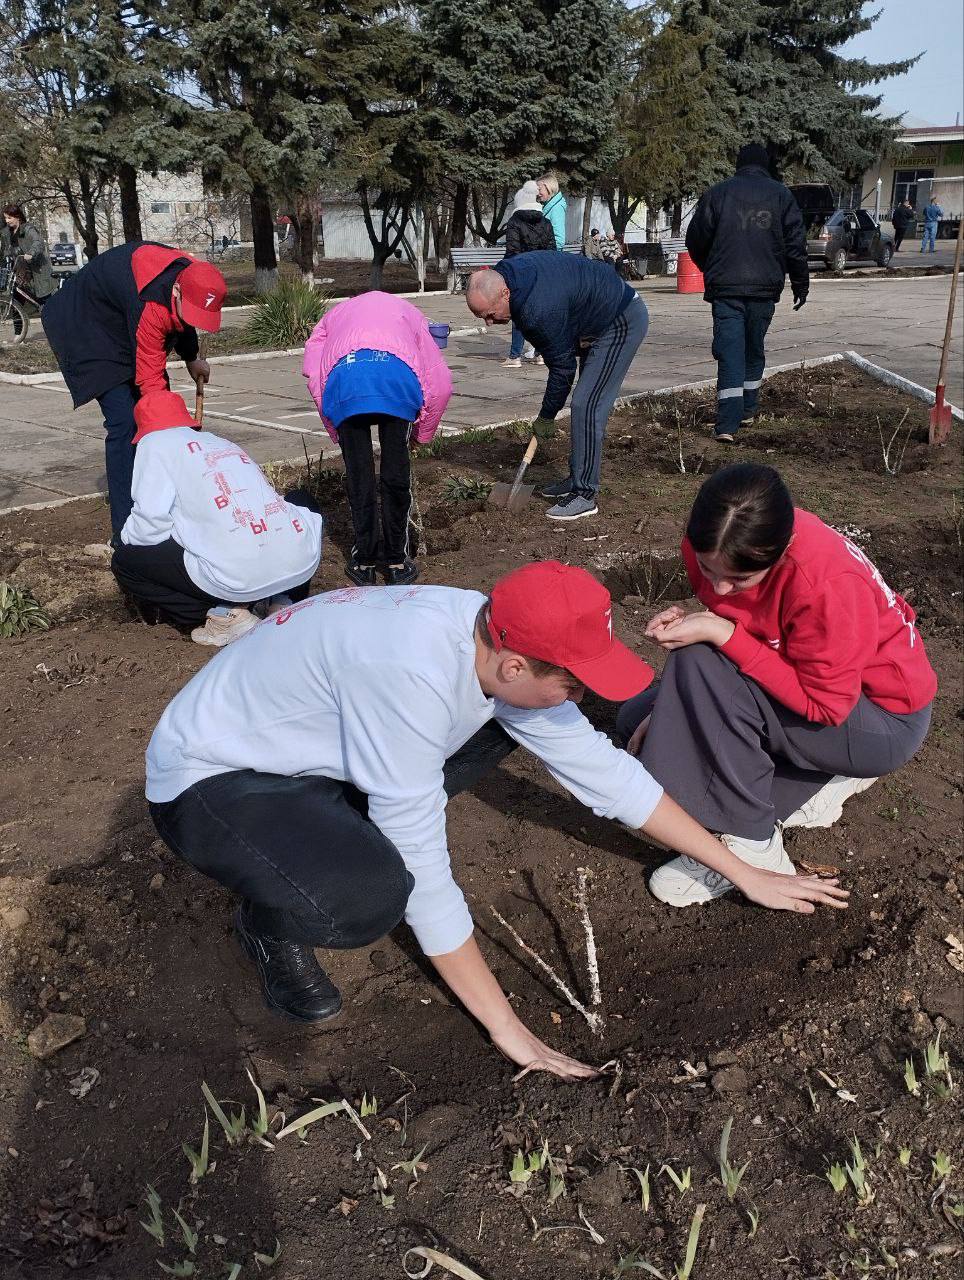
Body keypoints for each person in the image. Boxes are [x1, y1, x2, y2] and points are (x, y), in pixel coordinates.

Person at [145, 561, 845, 1080]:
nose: (578, 695)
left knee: (507, 729)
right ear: (512, 663)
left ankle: (325, 831)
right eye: (571, 680)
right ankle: (269, 919)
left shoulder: (493, 636)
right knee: (368, 896)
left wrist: (742, 870)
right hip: (211, 779)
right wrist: (509, 1028)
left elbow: (607, 775)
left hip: (311, 748)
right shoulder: (408, 674)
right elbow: (424, 873)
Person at [617, 463, 936, 908]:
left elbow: (827, 706)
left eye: (740, 580)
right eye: (709, 570)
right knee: (635, 718)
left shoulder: (824, 585)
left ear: (782, 549)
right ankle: (817, 778)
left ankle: (752, 843)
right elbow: (752, 620)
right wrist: (681, 699)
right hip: (822, 693)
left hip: (878, 719)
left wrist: (719, 636)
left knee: (698, 666)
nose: (721, 588)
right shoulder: (716, 543)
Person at [42, 242, 226, 540]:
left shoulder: (186, 279)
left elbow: (182, 318)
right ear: (177, 292)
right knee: (125, 422)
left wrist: (192, 358)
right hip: (88, 324)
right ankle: (126, 530)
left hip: (122, 314)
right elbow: (150, 380)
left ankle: (162, 500)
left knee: (160, 415)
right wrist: (164, 426)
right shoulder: (151, 304)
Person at [112, 390, 324, 646]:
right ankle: (281, 602)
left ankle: (224, 616)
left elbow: (150, 526)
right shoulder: (220, 442)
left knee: (126, 561)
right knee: (301, 503)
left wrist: (124, 538)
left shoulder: (154, 444)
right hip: (296, 563)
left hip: (237, 573)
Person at [465, 253, 648, 522]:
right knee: (584, 404)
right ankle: (577, 478)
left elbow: (563, 369)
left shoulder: (536, 310)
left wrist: (546, 416)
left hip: (619, 319)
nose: (489, 323)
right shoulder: (508, 275)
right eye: (482, 317)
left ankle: (585, 495)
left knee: (586, 404)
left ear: (505, 294)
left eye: (490, 314)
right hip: (591, 318)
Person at [303, 292, 452, 585]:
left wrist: (335, 427)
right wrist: (422, 435)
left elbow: (313, 372)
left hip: (345, 383)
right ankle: (397, 560)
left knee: (360, 476)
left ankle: (364, 561)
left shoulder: (335, 314)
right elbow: (441, 384)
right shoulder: (410, 313)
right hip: (395, 382)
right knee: (396, 474)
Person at [684, 142, 809, 444]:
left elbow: (696, 239)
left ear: (738, 165)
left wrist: (711, 267)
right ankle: (748, 410)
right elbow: (795, 245)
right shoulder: (781, 195)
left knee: (730, 352)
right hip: (765, 289)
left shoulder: (718, 193)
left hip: (726, 289)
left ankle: (727, 424)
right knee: (754, 348)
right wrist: (801, 284)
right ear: (765, 165)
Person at [501, 181, 555, 369]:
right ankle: (540, 355)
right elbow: (552, 251)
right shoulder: (546, 222)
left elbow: (512, 251)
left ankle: (515, 356)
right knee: (540, 315)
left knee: (518, 314)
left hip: (521, 273)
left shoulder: (514, 222)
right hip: (542, 273)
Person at [1, 204, 56, 305]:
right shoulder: (7, 233)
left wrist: (31, 253)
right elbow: (8, 251)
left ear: (17, 217)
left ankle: (51, 316)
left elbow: (38, 242)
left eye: (9, 218)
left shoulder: (27, 229)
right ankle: (19, 320)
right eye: (5, 218)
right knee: (15, 298)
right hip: (21, 270)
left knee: (45, 300)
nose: (7, 220)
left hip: (37, 269)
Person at [537, 174, 567, 250]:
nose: (538, 193)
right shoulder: (547, 207)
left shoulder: (557, 208)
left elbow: (559, 241)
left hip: (549, 258)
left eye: (539, 189)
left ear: (549, 189)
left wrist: (540, 254)